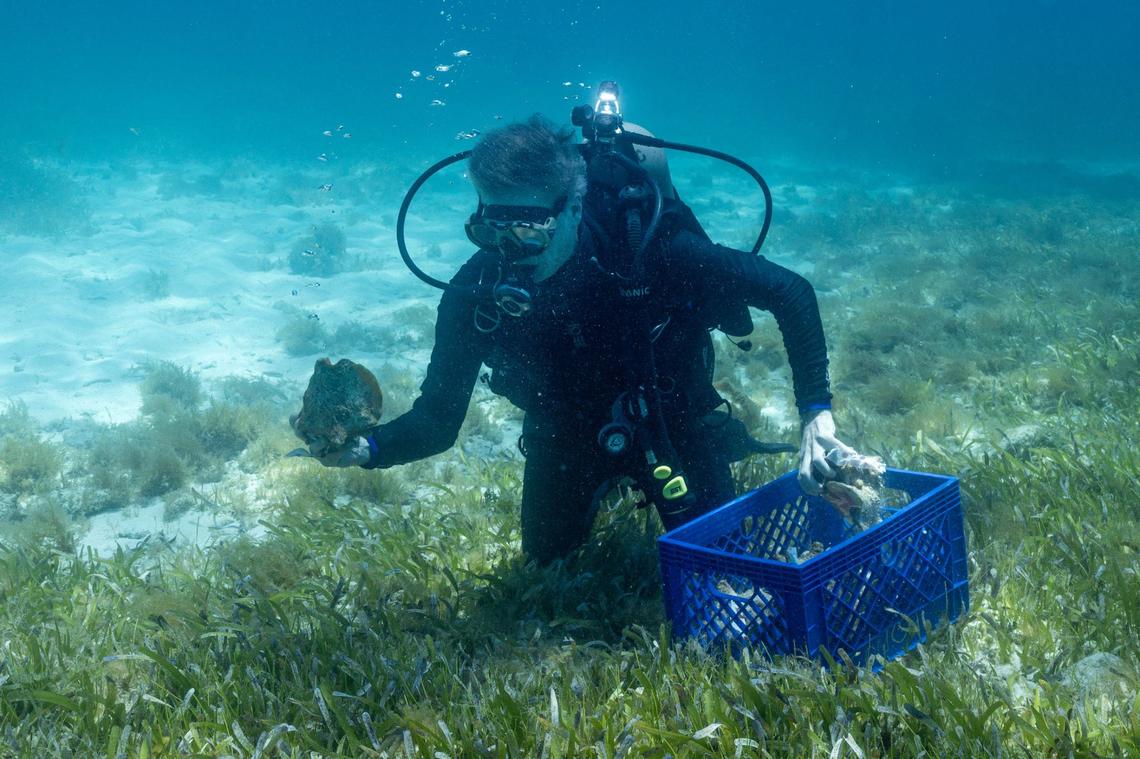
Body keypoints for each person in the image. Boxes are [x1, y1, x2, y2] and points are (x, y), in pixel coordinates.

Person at [315, 115, 860, 565]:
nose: (509, 249)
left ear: (574, 206)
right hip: (563, 433)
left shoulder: (651, 251)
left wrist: (817, 414)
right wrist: (365, 449)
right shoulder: (475, 293)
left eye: (529, 228)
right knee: (545, 569)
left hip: (673, 420)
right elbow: (437, 421)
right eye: (490, 228)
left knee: (720, 562)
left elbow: (790, 291)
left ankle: (716, 445)